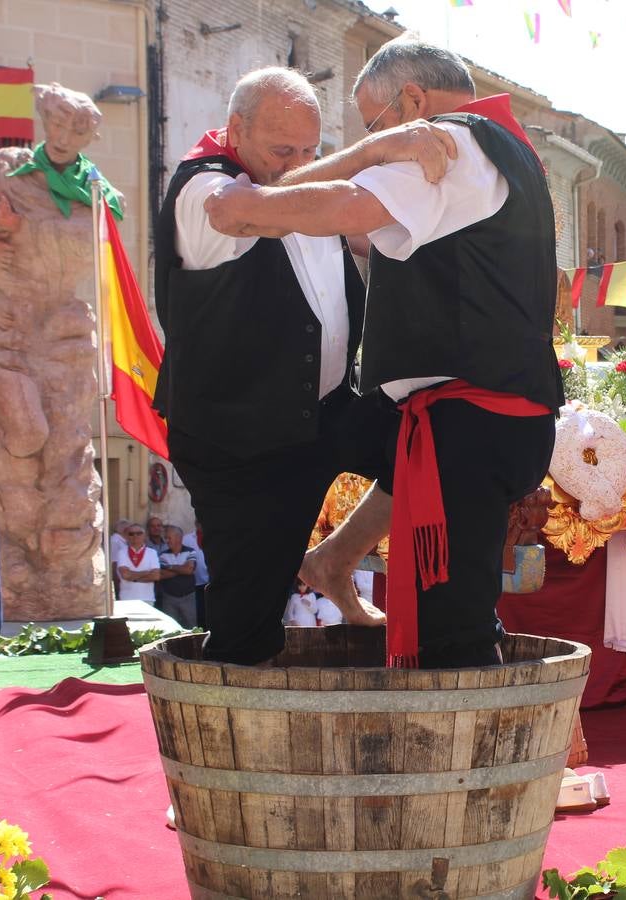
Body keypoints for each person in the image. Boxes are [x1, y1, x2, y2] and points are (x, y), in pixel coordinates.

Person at [207, 38, 563, 669]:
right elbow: (363, 228)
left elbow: (348, 205)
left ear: (414, 101)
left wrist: (254, 203)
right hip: (490, 410)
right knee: (446, 608)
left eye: (373, 123)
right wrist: (365, 151)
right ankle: (336, 559)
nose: (378, 144)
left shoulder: (450, 144)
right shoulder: (499, 145)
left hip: (472, 415)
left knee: (453, 635)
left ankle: (471, 761)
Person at [153, 66, 453, 664]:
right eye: (281, 150)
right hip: (241, 439)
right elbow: (241, 213)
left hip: (329, 407)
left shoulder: (301, 180)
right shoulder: (201, 184)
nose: (296, 165)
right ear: (235, 130)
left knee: (443, 442)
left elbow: (375, 235)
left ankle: (334, 561)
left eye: (310, 151)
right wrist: (377, 148)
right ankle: (228, 736)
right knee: (248, 633)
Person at [156, 526, 199, 628]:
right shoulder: (163, 555)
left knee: (191, 626)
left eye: (169, 538)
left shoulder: (190, 551)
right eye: (166, 538)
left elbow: (189, 570)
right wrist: (182, 569)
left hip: (188, 597)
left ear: (179, 538)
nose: (166, 541)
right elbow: (160, 575)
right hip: (169, 598)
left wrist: (170, 567)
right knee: (170, 627)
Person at [115, 524, 160, 605]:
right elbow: (125, 575)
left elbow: (155, 576)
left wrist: (133, 577)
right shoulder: (122, 552)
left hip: (147, 598)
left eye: (139, 533)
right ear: (127, 536)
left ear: (144, 535)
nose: (135, 536)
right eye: (131, 534)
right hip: (126, 599)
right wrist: (146, 572)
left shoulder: (152, 552)